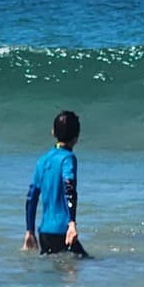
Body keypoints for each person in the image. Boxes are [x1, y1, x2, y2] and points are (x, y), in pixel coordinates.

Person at [23, 110, 89, 257]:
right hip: (62, 232)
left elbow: (31, 197)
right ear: (77, 137)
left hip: (44, 233)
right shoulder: (68, 158)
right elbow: (69, 188)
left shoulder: (43, 160)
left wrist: (29, 231)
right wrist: (72, 223)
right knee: (85, 267)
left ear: (53, 132)